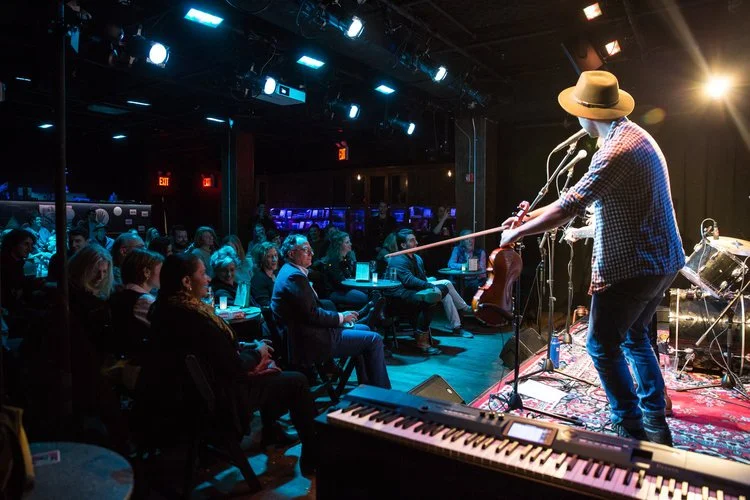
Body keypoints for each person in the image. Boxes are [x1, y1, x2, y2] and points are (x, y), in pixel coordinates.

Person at [499, 70, 684, 446]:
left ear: (588, 113)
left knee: (601, 344)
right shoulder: (631, 136)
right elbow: (573, 198)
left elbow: (570, 206)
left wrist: (517, 233)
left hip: (635, 266)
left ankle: (629, 424)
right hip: (661, 262)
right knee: (634, 336)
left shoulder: (616, 151)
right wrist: (528, 218)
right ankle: (654, 418)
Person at [140, 253, 319, 473]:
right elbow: (233, 366)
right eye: (203, 273)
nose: (208, 278)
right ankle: (314, 456)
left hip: (190, 394)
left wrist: (247, 348)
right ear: (186, 281)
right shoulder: (192, 317)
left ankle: (272, 431)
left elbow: (213, 352)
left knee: (270, 365)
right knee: (297, 381)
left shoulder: (165, 309)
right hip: (220, 397)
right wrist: (257, 354)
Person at [271, 234, 390, 388]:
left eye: (311, 249)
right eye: (306, 250)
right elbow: (312, 314)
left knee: (366, 329)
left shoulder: (290, 271)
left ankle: (367, 387)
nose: (311, 253)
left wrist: (340, 317)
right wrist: (340, 318)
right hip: (309, 341)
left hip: (308, 333)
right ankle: (382, 392)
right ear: (291, 253)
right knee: (374, 339)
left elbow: (309, 311)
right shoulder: (294, 277)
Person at [388, 229, 473, 342]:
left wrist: (428, 280)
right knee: (446, 284)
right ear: (403, 245)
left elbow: (420, 278)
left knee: (446, 294)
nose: (416, 243)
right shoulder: (398, 259)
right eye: (412, 241)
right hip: (407, 293)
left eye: (415, 240)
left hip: (419, 288)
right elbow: (409, 280)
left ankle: (457, 327)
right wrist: (428, 285)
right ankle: (465, 308)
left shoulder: (417, 258)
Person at [109, 249, 164, 359]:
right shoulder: (144, 301)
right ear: (146, 272)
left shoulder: (123, 293)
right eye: (161, 270)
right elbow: (166, 328)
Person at [316, 231, 369, 309]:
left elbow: (353, 275)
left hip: (346, 289)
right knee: (363, 297)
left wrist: (353, 262)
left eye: (349, 241)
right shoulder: (333, 260)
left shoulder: (347, 258)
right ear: (339, 245)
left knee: (369, 292)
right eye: (347, 242)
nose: (350, 244)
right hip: (335, 292)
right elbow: (341, 283)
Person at [447, 229, 488, 299]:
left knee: (479, 285)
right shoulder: (457, 249)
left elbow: (483, 272)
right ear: (462, 241)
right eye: (467, 239)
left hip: (474, 279)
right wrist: (464, 266)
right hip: (460, 279)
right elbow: (450, 264)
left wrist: (477, 267)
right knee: (452, 283)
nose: (470, 241)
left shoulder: (480, 252)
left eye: (472, 238)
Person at [251, 242, 279, 308]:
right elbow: (265, 304)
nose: (274, 259)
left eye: (276, 255)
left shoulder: (277, 274)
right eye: (270, 256)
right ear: (262, 259)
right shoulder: (258, 279)